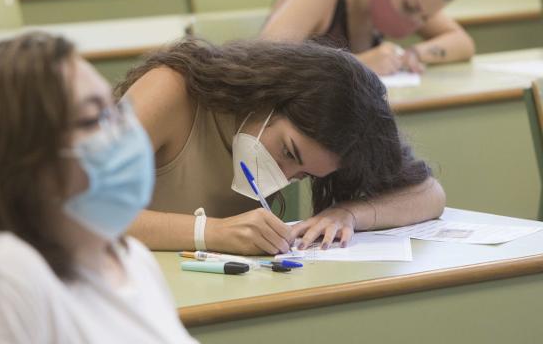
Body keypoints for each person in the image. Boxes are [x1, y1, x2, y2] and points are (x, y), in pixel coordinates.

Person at [0, 32, 215, 344]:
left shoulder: (131, 259)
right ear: (18, 159)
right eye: (93, 120)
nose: (124, 133)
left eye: (115, 112)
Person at [116, 38, 446, 255]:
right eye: (288, 152)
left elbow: (429, 194)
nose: (282, 175)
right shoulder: (171, 89)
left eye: (301, 175)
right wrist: (211, 232)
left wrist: (347, 214)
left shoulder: (317, 149)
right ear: (270, 94)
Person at [261, 0, 475, 75]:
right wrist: (357, 64)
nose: (413, 22)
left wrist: (413, 54)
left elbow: (462, 42)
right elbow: (263, 60)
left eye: (425, 17)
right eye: (408, 7)